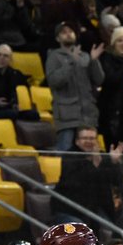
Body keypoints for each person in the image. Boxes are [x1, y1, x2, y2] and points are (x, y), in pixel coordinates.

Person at [46, 22, 105, 151]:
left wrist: (94, 61)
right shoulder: (53, 56)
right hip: (67, 117)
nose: (68, 34)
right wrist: (71, 61)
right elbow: (54, 81)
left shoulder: (85, 56)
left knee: (90, 153)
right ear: (57, 38)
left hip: (88, 114)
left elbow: (99, 80)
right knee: (67, 154)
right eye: (64, 32)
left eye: (70, 31)